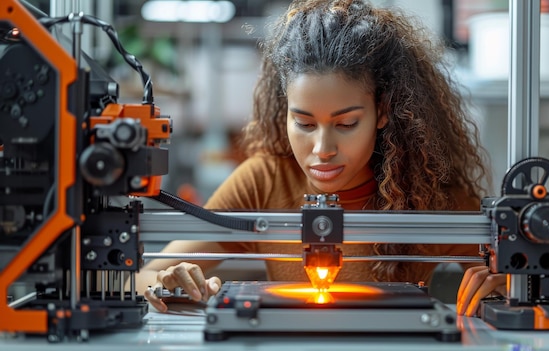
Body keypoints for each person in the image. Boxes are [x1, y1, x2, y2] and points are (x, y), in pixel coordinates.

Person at [137, 0, 502, 316]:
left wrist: (506, 286)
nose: (322, 149)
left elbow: (518, 284)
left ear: (384, 112)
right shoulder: (263, 182)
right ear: (285, 113)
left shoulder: (427, 193)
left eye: (346, 123)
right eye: (304, 123)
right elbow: (141, 277)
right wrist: (169, 282)